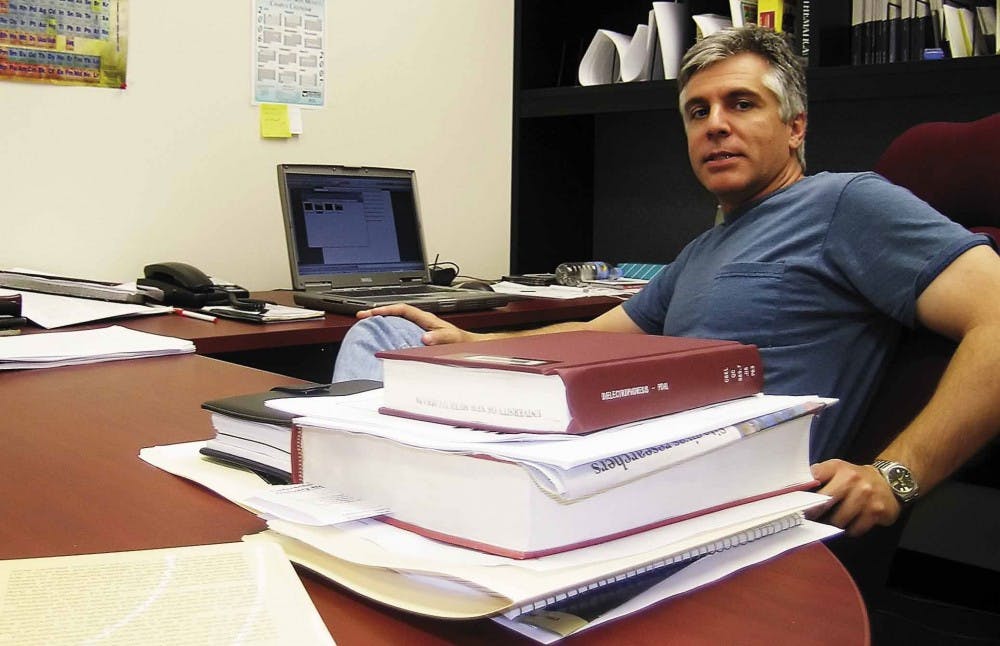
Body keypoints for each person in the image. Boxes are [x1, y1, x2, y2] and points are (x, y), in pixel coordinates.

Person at [332, 25, 1000, 538]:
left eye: (741, 104)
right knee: (389, 332)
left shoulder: (846, 203)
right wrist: (469, 343)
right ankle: (358, 498)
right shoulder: (706, 247)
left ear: (795, 128)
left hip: (703, 494)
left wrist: (896, 474)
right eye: (697, 111)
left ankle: (358, 499)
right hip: (614, 454)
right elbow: (595, 337)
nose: (715, 125)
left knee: (387, 442)